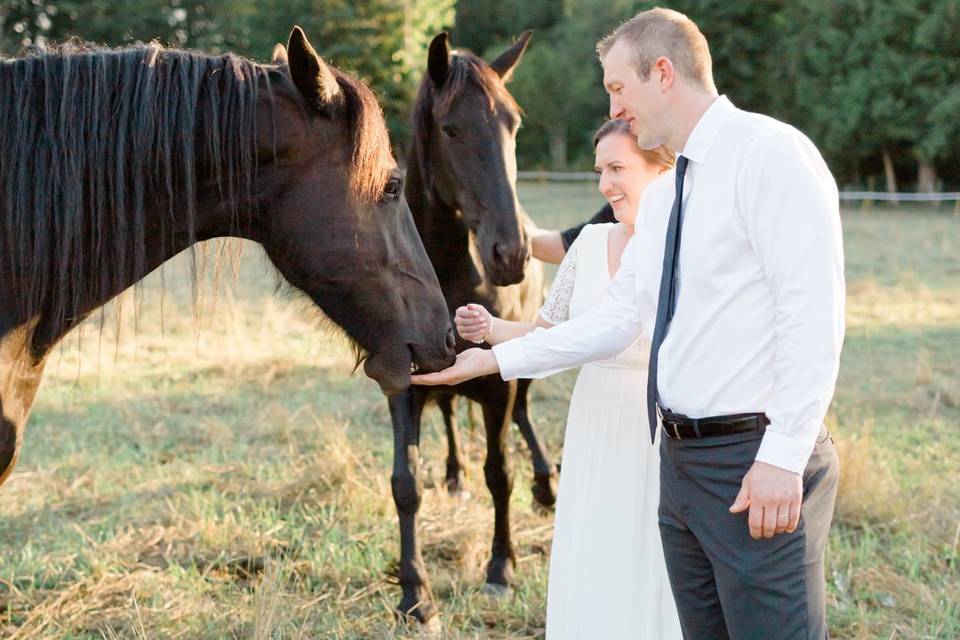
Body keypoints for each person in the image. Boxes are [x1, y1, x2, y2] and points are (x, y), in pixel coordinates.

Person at [414, 8, 844, 640]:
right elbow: (619, 318)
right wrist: (494, 358)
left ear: (662, 73)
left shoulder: (770, 155)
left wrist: (782, 457)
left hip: (754, 460)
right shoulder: (672, 192)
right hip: (681, 462)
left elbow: (813, 315)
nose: (613, 103)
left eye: (618, 87)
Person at [458, 119, 679, 639]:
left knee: (652, 552)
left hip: (657, 426)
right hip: (595, 418)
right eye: (600, 170)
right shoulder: (589, 244)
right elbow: (548, 333)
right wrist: (491, 329)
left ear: (662, 170)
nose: (605, 183)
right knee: (595, 544)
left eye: (618, 168)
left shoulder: (682, 245)